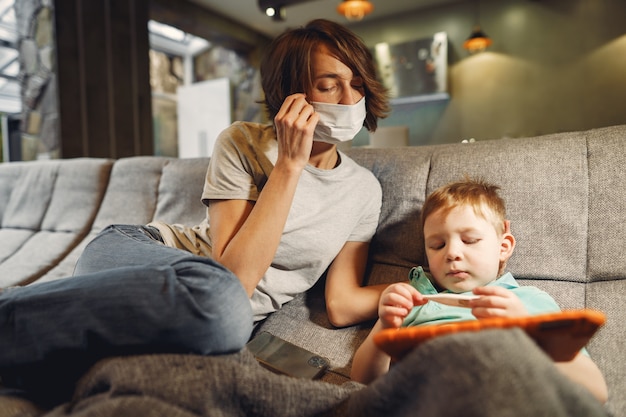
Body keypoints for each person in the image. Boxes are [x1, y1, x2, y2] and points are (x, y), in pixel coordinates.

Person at [0, 18, 390, 405]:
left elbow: (341, 304)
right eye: (328, 85)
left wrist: (418, 292)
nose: (349, 98)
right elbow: (235, 277)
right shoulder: (243, 142)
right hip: (140, 253)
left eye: (356, 84)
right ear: (292, 94)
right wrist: (290, 165)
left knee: (224, 329)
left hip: (209, 321)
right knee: (224, 307)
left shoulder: (363, 191)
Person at [351, 177, 608, 404]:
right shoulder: (414, 302)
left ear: (503, 247)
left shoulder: (529, 300)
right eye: (437, 245)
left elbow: (595, 391)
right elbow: (362, 382)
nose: (452, 253)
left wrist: (527, 329)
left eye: (470, 240)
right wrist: (386, 324)